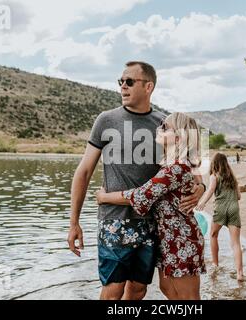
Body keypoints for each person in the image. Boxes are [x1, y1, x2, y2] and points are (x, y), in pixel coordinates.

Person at [67, 61, 205, 300]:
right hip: (114, 221)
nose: (123, 86)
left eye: (129, 81)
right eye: (120, 81)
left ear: (148, 86)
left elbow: (194, 164)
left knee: (139, 290)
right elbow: (84, 172)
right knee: (112, 290)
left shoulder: (164, 124)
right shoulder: (106, 120)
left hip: (152, 224)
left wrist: (200, 188)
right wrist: (73, 222)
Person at [96, 112, 206, 300]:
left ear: (178, 137)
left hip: (182, 240)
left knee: (188, 299)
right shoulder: (172, 166)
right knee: (169, 291)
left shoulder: (176, 168)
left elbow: (141, 195)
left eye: (165, 128)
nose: (158, 128)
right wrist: (201, 187)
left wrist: (104, 197)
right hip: (169, 240)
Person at [196, 152, 244, 281]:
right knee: (235, 243)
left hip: (220, 208)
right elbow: (239, 196)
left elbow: (210, 190)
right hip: (234, 208)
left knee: (213, 235)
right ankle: (240, 273)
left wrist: (201, 202)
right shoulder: (232, 178)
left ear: (214, 164)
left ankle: (215, 264)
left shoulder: (214, 176)